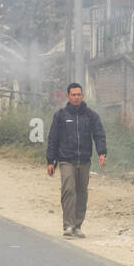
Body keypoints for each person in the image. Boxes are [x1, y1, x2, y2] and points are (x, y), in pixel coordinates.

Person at [45, 83, 107, 238]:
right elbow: (53, 138)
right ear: (68, 96)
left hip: (84, 160)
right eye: (73, 94)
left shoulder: (91, 116)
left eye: (79, 94)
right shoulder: (61, 116)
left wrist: (102, 153)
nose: (76, 97)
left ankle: (77, 226)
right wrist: (50, 161)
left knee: (81, 193)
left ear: (83, 96)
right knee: (68, 190)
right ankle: (68, 225)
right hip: (66, 160)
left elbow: (99, 135)